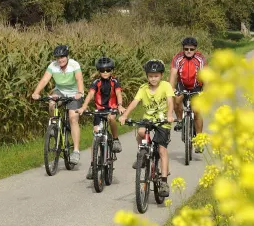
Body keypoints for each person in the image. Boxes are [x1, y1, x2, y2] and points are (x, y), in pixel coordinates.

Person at [119, 60, 175, 196]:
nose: (153, 78)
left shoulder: (166, 86)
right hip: (148, 119)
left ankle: (163, 181)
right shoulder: (143, 88)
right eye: (150, 76)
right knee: (140, 131)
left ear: (161, 75)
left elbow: (170, 101)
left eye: (156, 76)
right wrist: (125, 115)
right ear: (147, 76)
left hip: (162, 121)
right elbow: (134, 102)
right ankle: (142, 155)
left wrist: (169, 115)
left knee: (162, 149)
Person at [31, 45, 85, 165]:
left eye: (62, 57)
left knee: (73, 117)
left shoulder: (74, 65)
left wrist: (80, 92)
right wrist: (36, 92)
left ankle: (76, 151)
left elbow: (79, 80)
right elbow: (45, 80)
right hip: (60, 91)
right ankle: (54, 124)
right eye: (58, 58)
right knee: (51, 103)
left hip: (74, 93)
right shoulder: (53, 66)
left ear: (67, 56)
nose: (60, 60)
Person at [78, 56, 123, 179]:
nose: (105, 73)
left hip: (111, 109)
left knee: (112, 118)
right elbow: (90, 95)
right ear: (99, 71)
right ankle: (93, 165)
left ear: (111, 71)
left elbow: (118, 94)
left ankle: (115, 139)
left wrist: (119, 106)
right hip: (99, 111)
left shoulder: (115, 82)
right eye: (102, 71)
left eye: (108, 70)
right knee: (96, 135)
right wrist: (83, 107)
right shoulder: (96, 83)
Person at [170, 36, 206, 153]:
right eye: (186, 49)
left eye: (191, 49)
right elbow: (173, 75)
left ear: (195, 49)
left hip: (196, 85)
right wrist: (171, 89)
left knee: (197, 111)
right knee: (177, 98)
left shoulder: (200, 59)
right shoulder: (178, 58)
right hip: (182, 84)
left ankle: (199, 140)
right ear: (183, 49)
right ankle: (180, 120)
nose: (189, 51)